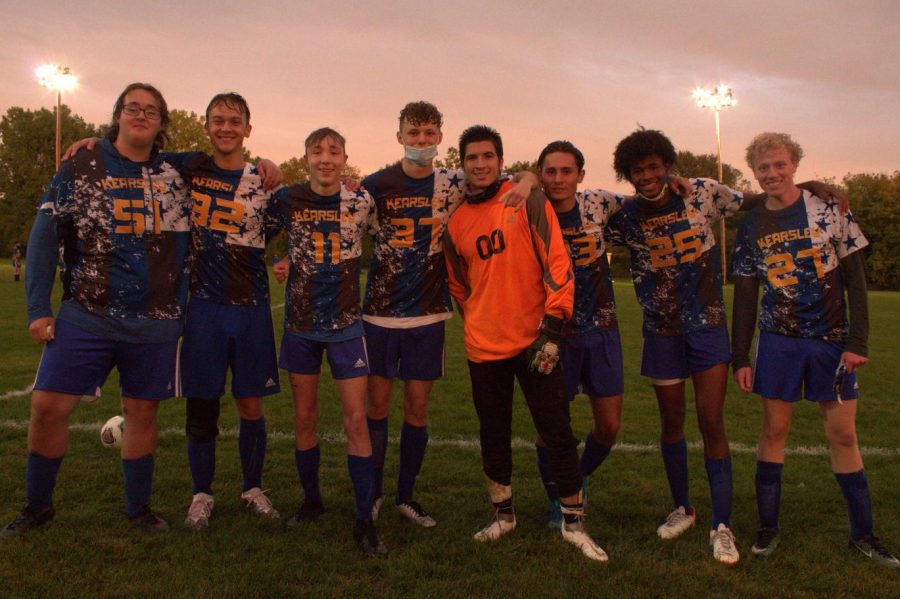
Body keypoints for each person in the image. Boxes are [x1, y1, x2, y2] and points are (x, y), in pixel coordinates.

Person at [1, 82, 193, 539]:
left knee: (142, 412)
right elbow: (45, 235)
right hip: (87, 311)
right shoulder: (82, 161)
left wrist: (264, 165)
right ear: (118, 115)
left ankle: (138, 507)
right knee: (47, 406)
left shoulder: (179, 171)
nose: (141, 116)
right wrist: (36, 308)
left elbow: (228, 164)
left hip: (155, 318)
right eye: (132, 108)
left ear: (162, 122)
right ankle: (37, 506)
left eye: (151, 110)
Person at [361, 101, 536, 528]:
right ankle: (373, 494)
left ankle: (406, 495)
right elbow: (341, 222)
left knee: (417, 411)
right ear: (398, 135)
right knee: (378, 409)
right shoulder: (375, 185)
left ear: (440, 137)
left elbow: (512, 178)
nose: (421, 141)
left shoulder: (454, 182)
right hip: (380, 313)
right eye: (413, 133)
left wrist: (530, 179)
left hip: (427, 313)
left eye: (428, 133)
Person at [732, 132, 899, 569]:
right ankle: (768, 527)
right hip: (778, 341)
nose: (772, 173)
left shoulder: (828, 209)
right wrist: (739, 356)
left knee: (843, 434)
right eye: (763, 167)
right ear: (754, 171)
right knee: (774, 433)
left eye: (779, 165)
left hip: (831, 339)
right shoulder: (750, 223)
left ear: (794, 165)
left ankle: (864, 533)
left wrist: (857, 342)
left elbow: (855, 279)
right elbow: (746, 294)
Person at [444, 125, 608, 562]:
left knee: (557, 433)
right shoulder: (456, 221)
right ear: (463, 164)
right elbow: (461, 287)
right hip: (483, 347)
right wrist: (479, 322)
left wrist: (552, 330)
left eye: (487, 157)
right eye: (471, 158)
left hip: (536, 342)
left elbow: (558, 262)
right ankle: (503, 515)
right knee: (492, 434)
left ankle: (574, 521)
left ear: (500, 160)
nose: (480, 165)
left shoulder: (527, 197)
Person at [607, 127, 746, 565]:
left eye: (654, 167)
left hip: (706, 326)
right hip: (660, 329)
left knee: (711, 421)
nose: (646, 176)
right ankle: (683, 507)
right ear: (627, 174)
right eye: (637, 170)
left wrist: (811, 188)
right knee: (671, 422)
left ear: (668, 165)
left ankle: (721, 525)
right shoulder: (624, 215)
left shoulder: (702, 193)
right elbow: (572, 210)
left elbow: (755, 201)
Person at [270, 128, 386, 557]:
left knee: (356, 421)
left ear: (344, 159)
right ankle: (312, 501)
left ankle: (363, 520)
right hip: (300, 325)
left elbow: (386, 239)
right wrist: (283, 259)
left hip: (345, 324)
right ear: (306, 159)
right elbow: (261, 232)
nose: (325, 158)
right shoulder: (286, 198)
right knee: (305, 418)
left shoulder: (361, 201)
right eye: (317, 152)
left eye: (333, 151)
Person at [179, 93, 281, 529]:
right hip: (203, 304)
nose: (225, 127)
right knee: (202, 404)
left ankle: (252, 487)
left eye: (234, 121)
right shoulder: (187, 168)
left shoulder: (264, 183)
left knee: (251, 403)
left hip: (251, 305)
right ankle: (202, 493)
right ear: (207, 127)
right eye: (217, 120)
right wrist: (93, 141)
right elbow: (131, 153)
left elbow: (307, 212)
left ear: (248, 129)